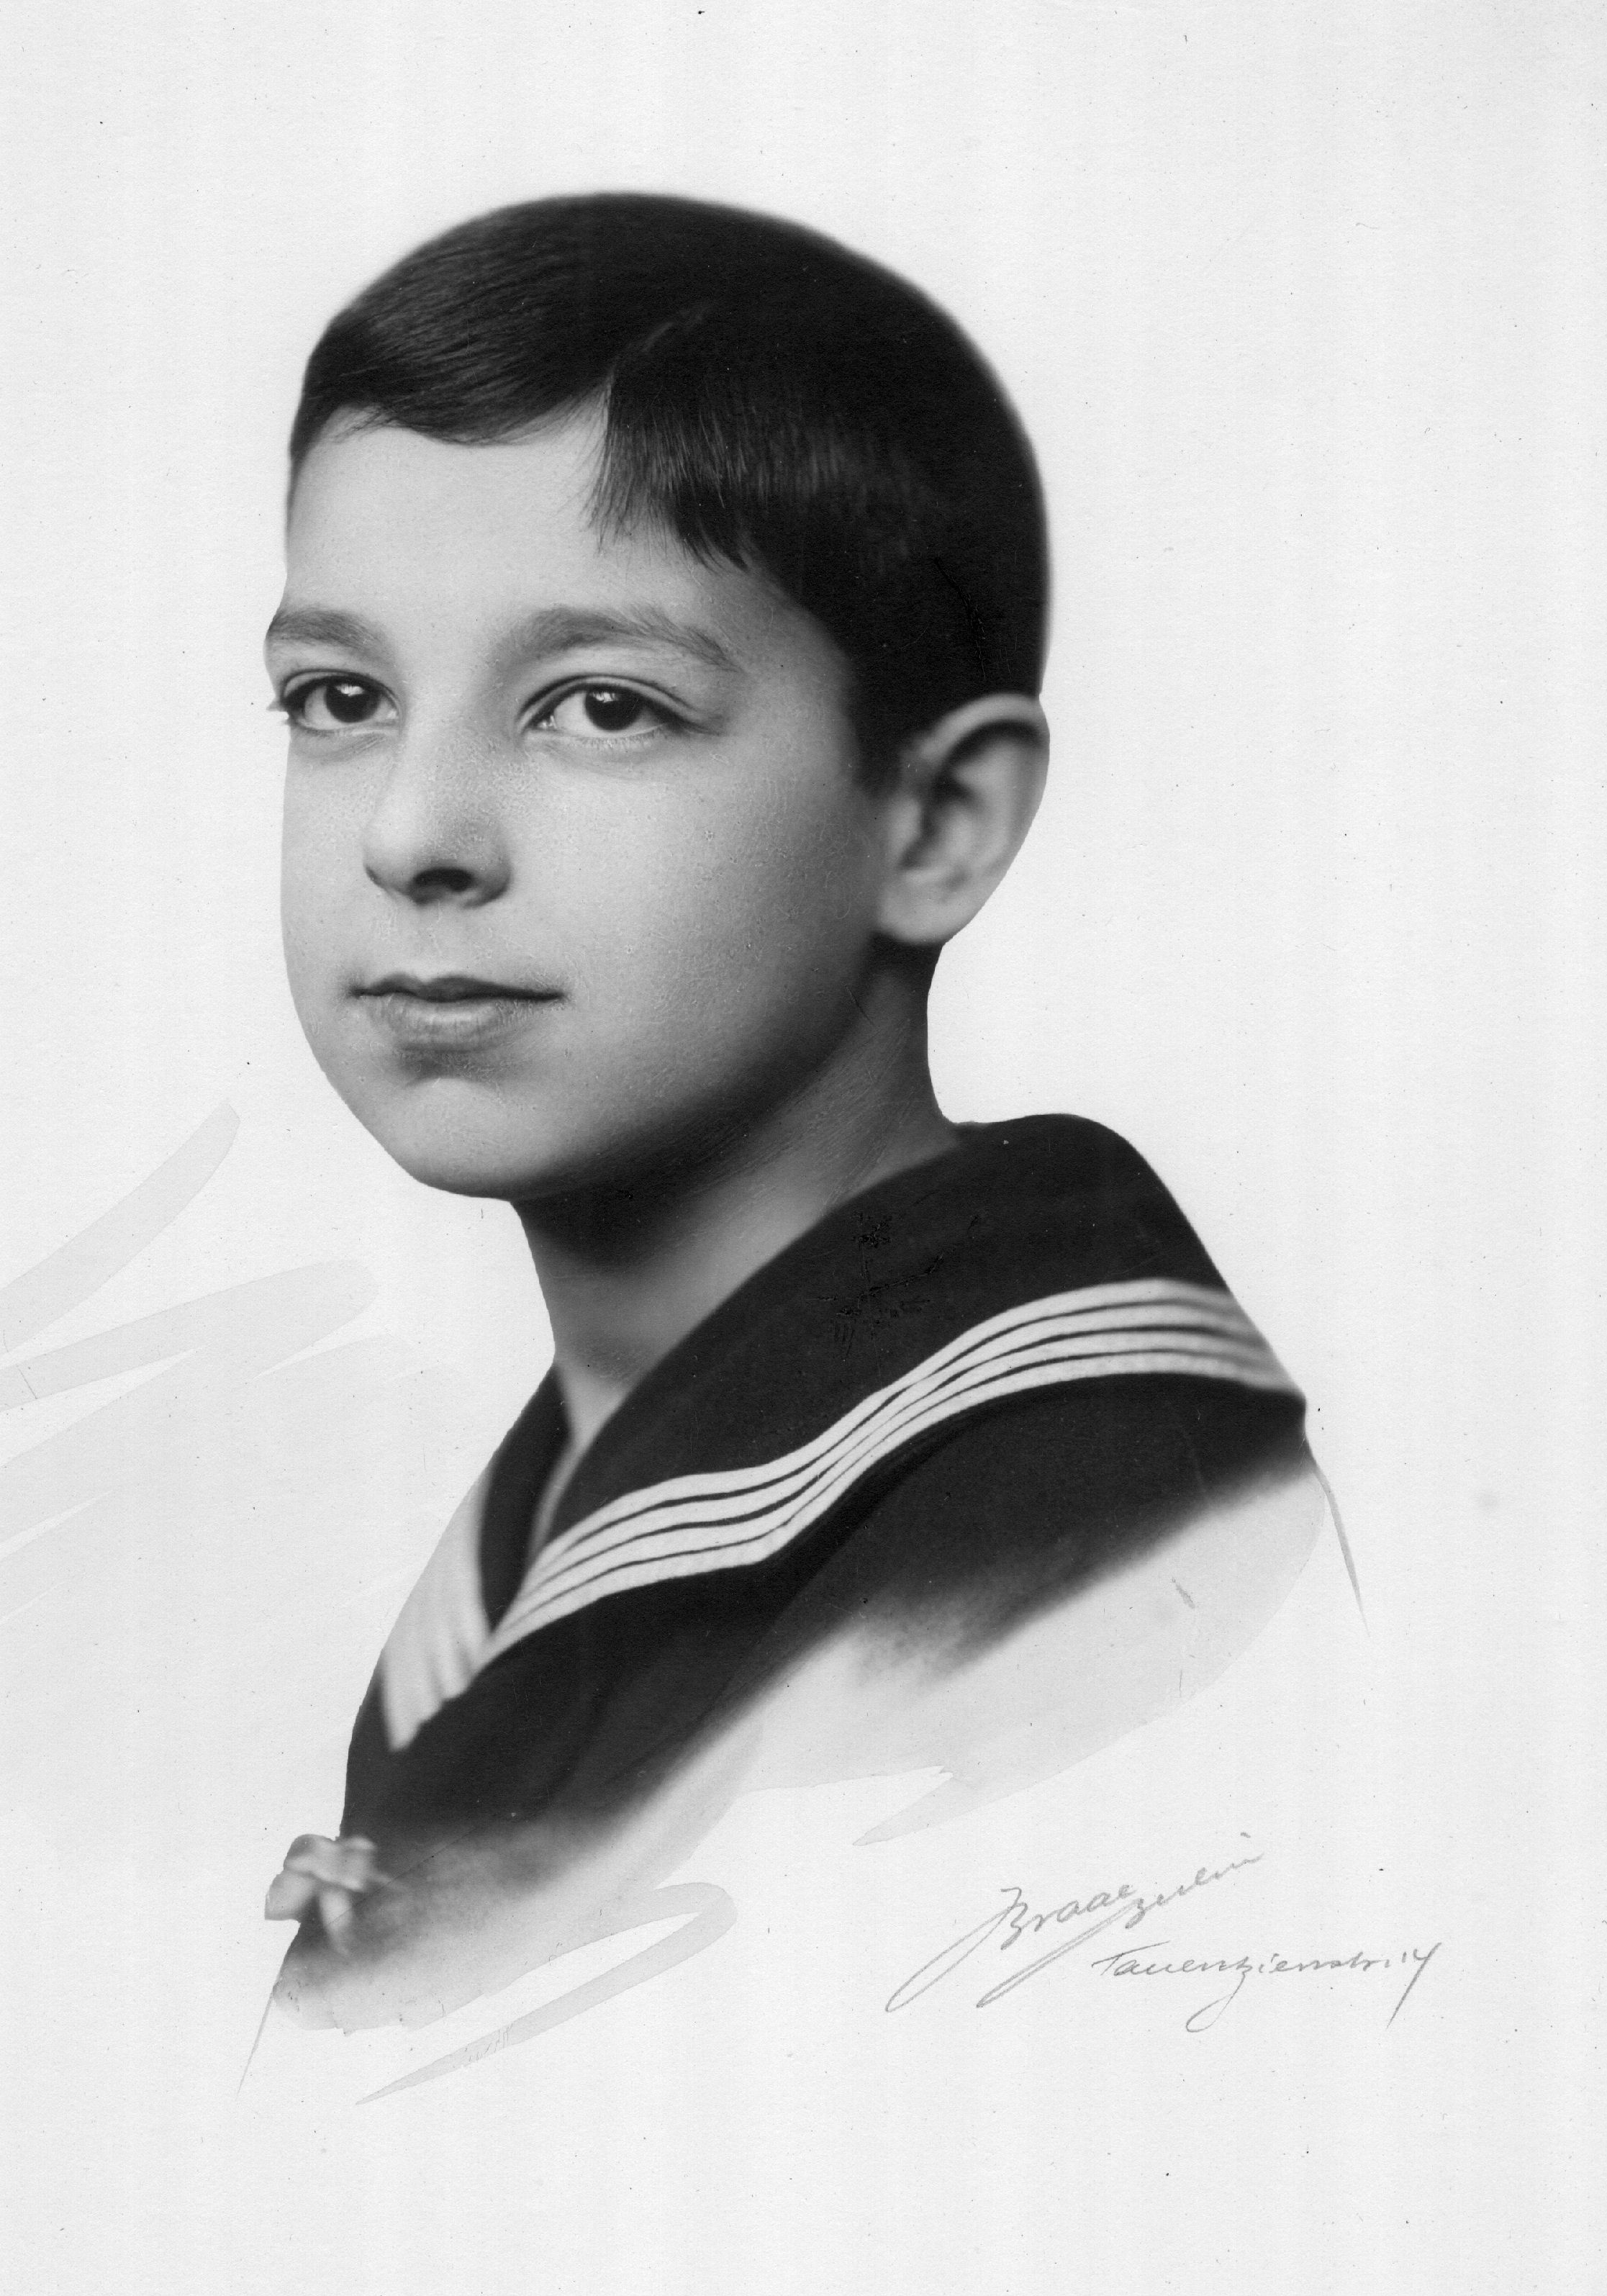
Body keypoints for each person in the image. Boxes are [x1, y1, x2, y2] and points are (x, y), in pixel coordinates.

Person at [259, 194, 1321, 2022]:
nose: (410, 831)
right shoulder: (564, 1525)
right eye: (340, 696)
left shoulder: (1074, 1530)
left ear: (935, 825)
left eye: (601, 706)